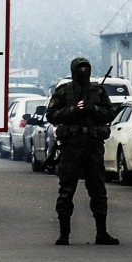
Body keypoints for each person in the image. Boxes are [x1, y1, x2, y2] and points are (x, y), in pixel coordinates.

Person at [47, 57, 117, 244]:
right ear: (73, 70)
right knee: (66, 190)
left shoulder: (98, 92)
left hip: (93, 147)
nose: (84, 71)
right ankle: (64, 234)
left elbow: (110, 114)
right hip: (71, 148)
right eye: (80, 68)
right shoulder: (63, 92)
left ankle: (101, 233)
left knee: (98, 190)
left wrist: (92, 108)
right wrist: (73, 110)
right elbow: (52, 115)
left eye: (86, 67)